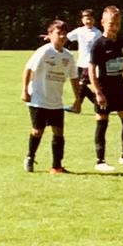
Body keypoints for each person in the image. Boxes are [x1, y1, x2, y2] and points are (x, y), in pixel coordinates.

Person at [22, 19, 80, 173]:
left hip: (56, 101)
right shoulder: (44, 51)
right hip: (38, 100)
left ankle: (56, 166)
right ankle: (30, 157)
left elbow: (74, 78)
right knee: (37, 131)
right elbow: (28, 69)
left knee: (58, 132)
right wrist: (24, 91)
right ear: (50, 34)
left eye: (64, 34)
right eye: (58, 33)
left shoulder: (68, 56)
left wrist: (77, 99)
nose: (62, 36)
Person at [88, 5, 123, 172]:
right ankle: (100, 161)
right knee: (102, 123)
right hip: (104, 89)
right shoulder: (98, 45)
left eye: (117, 23)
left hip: (119, 88)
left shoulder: (122, 43)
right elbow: (91, 70)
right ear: (103, 22)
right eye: (111, 23)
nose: (114, 27)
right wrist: (98, 92)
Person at [67, 9, 103, 112]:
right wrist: (51, 37)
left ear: (94, 20)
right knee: (80, 86)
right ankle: (97, 104)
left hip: (90, 63)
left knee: (82, 85)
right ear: (82, 20)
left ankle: (77, 106)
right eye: (86, 19)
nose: (88, 21)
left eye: (90, 19)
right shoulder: (79, 31)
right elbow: (66, 37)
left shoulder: (97, 33)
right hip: (80, 63)